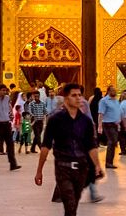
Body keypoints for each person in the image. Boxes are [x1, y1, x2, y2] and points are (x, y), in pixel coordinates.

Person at [35, 83, 103, 215]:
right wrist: (39, 171)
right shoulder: (55, 120)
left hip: (81, 168)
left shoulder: (86, 121)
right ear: (66, 98)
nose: (78, 98)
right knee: (70, 203)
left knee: (74, 205)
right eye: (74, 95)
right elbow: (45, 146)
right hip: (63, 168)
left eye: (79, 95)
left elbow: (91, 146)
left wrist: (97, 165)